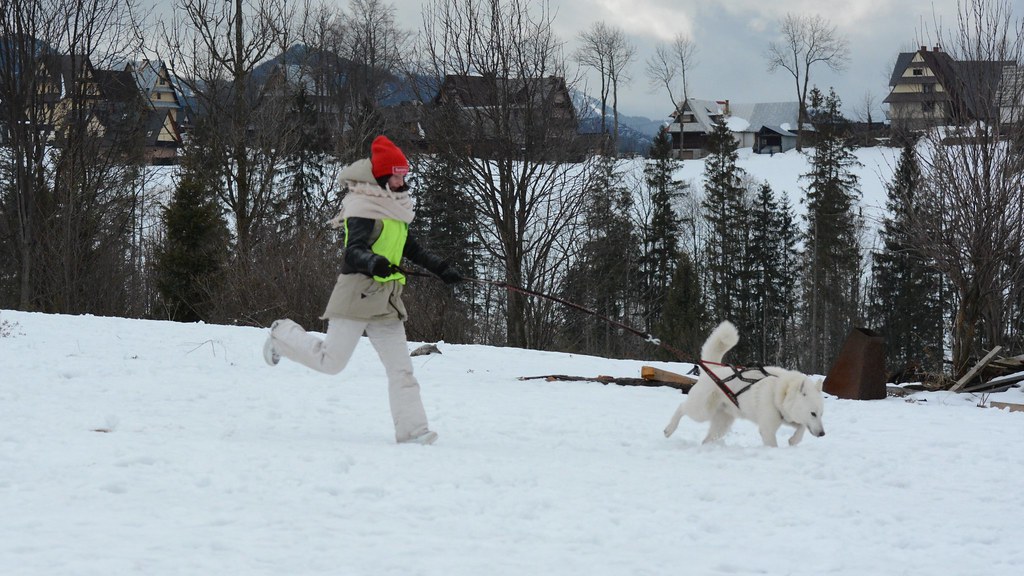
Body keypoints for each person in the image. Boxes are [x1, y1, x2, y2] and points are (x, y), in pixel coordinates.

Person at [262, 135, 462, 445]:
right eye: (397, 174)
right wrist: (376, 263)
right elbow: (353, 251)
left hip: (386, 300)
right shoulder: (363, 206)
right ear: (382, 176)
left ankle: (412, 431)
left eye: (404, 174)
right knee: (331, 363)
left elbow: (412, 248)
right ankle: (281, 334)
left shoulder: (396, 207)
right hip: (357, 293)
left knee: (401, 370)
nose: (402, 179)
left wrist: (442, 269)